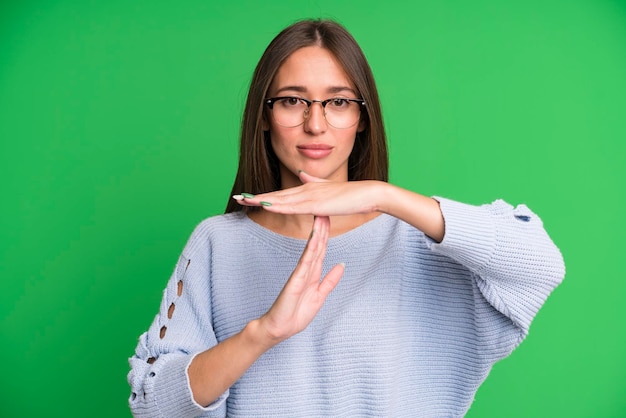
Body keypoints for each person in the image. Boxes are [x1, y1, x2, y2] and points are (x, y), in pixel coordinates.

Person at [127, 19, 565, 417]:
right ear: (265, 116)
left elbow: (540, 264)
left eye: (337, 101)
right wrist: (260, 334)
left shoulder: (415, 238)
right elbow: (151, 405)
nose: (315, 124)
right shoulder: (216, 244)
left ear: (361, 119)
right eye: (293, 100)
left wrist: (382, 195)